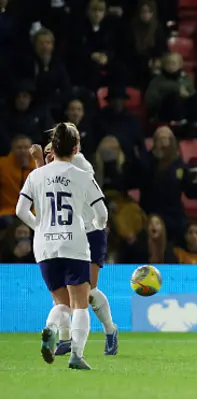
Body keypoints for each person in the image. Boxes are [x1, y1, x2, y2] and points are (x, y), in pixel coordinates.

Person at [15, 123, 109, 370]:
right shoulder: (83, 175)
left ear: (51, 149)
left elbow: (20, 210)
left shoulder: (36, 175)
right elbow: (102, 213)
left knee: (61, 303)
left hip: (44, 246)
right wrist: (96, 225)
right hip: (74, 243)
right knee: (79, 304)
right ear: (76, 148)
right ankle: (76, 355)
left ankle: (50, 328)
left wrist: (40, 226)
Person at [30, 136, 119, 357]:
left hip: (90, 232)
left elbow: (49, 178)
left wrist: (39, 161)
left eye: (53, 152)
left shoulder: (79, 164)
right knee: (61, 296)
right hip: (66, 234)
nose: (51, 156)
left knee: (86, 291)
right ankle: (65, 340)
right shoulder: (59, 167)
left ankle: (110, 330)